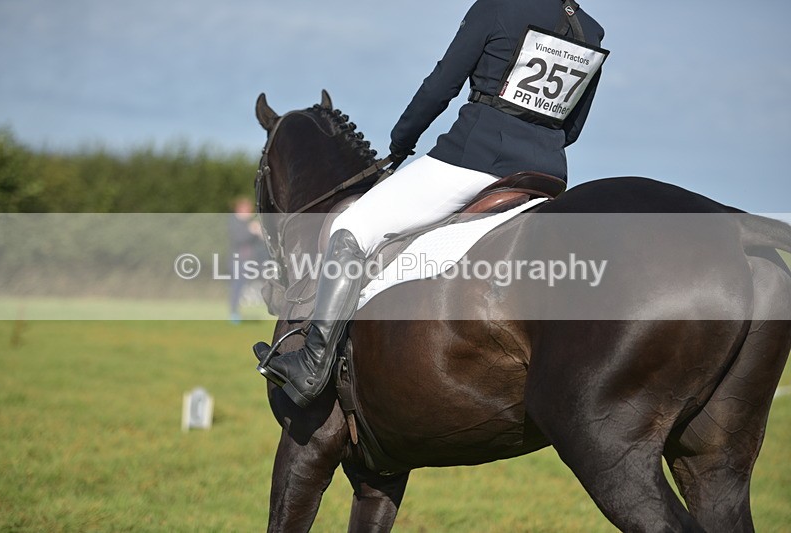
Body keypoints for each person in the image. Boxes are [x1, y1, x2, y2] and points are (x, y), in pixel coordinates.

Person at [255, 0, 607, 407]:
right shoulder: (590, 30)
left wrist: (402, 140)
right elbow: (574, 127)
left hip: (476, 159)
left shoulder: (498, 8)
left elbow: (443, 83)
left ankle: (312, 366)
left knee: (350, 228)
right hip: (548, 173)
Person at [228, 196, 268, 323]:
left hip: (252, 261)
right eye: (247, 209)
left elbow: (258, 243)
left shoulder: (248, 223)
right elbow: (239, 239)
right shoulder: (234, 222)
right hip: (238, 261)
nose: (249, 212)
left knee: (265, 282)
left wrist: (259, 234)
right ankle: (234, 313)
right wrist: (251, 231)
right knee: (237, 287)